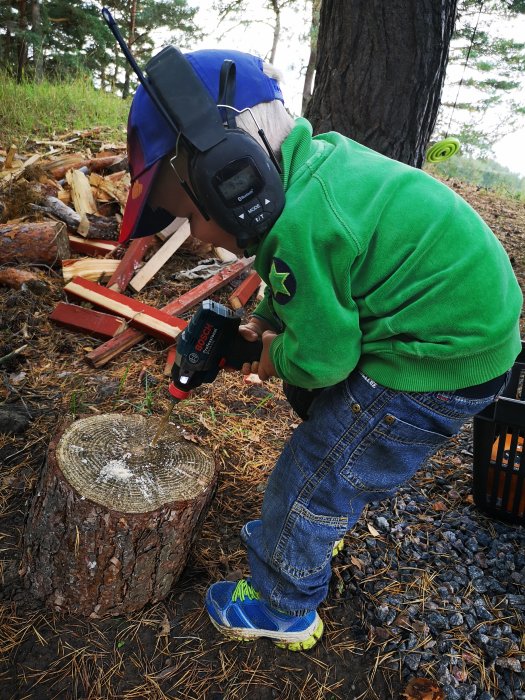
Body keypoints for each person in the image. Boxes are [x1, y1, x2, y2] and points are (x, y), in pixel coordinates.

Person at [119, 48, 523, 651]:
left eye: (189, 214)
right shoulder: (317, 170)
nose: (199, 236)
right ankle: (323, 517)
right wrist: (263, 321)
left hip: (434, 360)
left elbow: (326, 358)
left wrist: (271, 356)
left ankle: (285, 603)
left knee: (314, 470)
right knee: (323, 412)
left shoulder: (300, 228)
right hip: (467, 331)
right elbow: (317, 279)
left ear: (230, 173)